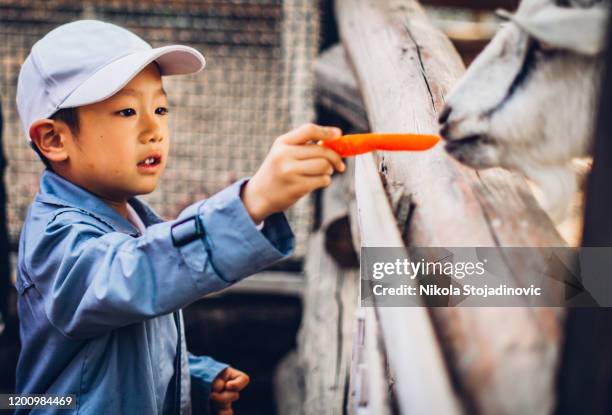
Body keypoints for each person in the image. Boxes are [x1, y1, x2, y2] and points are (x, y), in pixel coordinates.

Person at [14, 20, 344, 414]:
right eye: (126, 111)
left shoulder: (131, 217)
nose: (154, 130)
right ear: (54, 139)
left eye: (160, 108)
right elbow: (135, 276)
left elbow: (118, 353)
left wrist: (195, 378)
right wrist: (251, 201)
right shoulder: (57, 238)